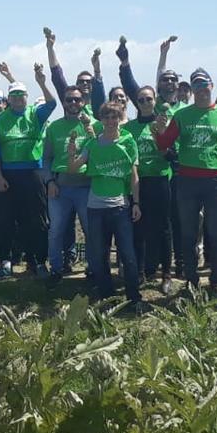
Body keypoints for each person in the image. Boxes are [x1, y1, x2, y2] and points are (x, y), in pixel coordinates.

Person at [152, 68, 217, 292]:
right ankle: (191, 280)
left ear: (211, 87)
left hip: (216, 181)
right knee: (188, 233)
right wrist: (159, 132)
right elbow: (164, 145)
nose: (202, 89)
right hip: (187, 181)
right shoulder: (182, 115)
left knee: (216, 233)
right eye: (197, 86)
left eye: (205, 85)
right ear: (192, 90)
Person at [70, 102, 143, 309]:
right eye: (107, 117)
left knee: (128, 254)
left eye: (114, 117)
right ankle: (106, 297)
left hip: (120, 206)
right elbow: (74, 168)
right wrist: (71, 153)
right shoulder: (93, 144)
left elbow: (134, 176)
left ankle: (134, 297)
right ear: (101, 120)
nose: (111, 121)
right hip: (96, 207)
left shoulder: (128, 141)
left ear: (120, 118)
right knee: (98, 254)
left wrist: (136, 202)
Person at [0, 73, 57, 278]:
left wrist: (41, 83)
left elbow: (53, 103)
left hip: (32, 173)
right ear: (8, 99)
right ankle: (5, 262)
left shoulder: (35, 114)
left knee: (36, 220)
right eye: (14, 95)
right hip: (8, 174)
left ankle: (37, 261)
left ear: (27, 97)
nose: (18, 98)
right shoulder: (0, 119)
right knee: (5, 220)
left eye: (21, 95)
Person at [125, 84, 174, 293]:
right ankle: (141, 272)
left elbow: (173, 157)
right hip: (137, 183)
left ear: (155, 101)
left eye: (149, 99)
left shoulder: (164, 124)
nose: (145, 103)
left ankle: (166, 274)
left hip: (160, 180)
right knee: (138, 229)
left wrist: (161, 135)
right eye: (141, 100)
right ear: (137, 103)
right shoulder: (128, 128)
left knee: (163, 228)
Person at [42, 84, 93, 282]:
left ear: (83, 102)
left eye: (77, 99)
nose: (73, 103)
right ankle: (55, 269)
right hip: (60, 188)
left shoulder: (92, 125)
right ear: (64, 102)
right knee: (56, 230)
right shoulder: (54, 127)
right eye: (69, 99)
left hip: (86, 187)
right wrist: (49, 181)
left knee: (91, 230)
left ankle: (92, 267)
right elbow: (46, 158)